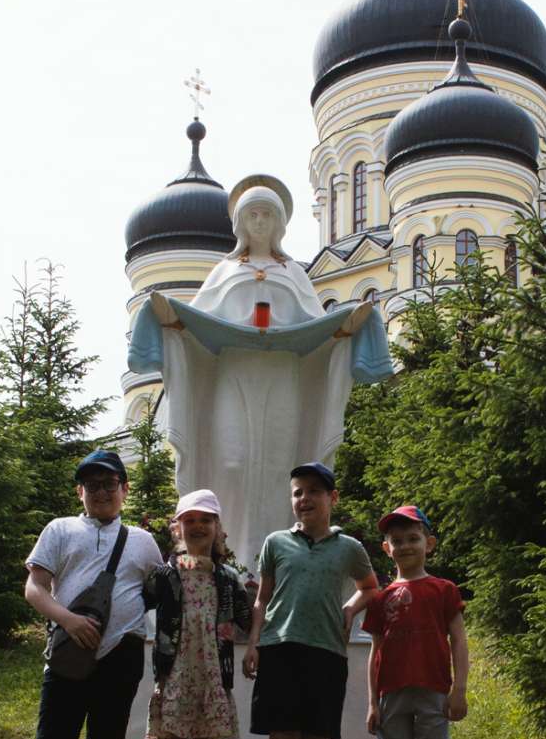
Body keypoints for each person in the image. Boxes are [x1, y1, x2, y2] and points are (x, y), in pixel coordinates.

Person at [129, 173, 391, 572]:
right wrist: (170, 321)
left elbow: (317, 329)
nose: (260, 222)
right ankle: (228, 560)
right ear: (239, 223)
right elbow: (196, 325)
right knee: (231, 463)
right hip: (233, 373)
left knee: (278, 467)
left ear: (280, 223)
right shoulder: (224, 271)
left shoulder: (294, 273)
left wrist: (346, 328)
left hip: (282, 375)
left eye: (268, 214)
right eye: (252, 214)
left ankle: (277, 561)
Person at [0, 449, 162, 739]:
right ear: (80, 492)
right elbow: (35, 586)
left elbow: (162, 592)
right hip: (68, 655)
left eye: (110, 484)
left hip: (121, 657)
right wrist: (67, 620)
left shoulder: (144, 542)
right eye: (92, 485)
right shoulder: (59, 529)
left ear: (124, 489)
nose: (102, 492)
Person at [242, 462, 379, 739]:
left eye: (314, 491)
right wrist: (253, 643)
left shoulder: (348, 547)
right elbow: (262, 598)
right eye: (298, 492)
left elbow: (370, 587)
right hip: (279, 649)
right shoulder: (276, 543)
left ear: (332, 497)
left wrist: (350, 608)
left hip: (326, 653)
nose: (305, 499)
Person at [360, 505, 468, 739]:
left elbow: (458, 640)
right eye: (397, 540)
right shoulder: (381, 598)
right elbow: (375, 651)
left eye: (413, 538)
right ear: (386, 548)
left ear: (429, 544)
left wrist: (459, 690)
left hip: (434, 690)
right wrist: (372, 702)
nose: (405, 546)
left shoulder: (443, 590)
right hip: (391, 694)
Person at [144, 488, 252, 739]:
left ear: (217, 527)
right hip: (175, 673)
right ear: (178, 528)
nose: (198, 526)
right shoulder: (165, 576)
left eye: (205, 520)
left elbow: (247, 619)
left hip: (212, 675)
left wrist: (261, 596)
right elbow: (134, 600)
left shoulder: (228, 578)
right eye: (189, 520)